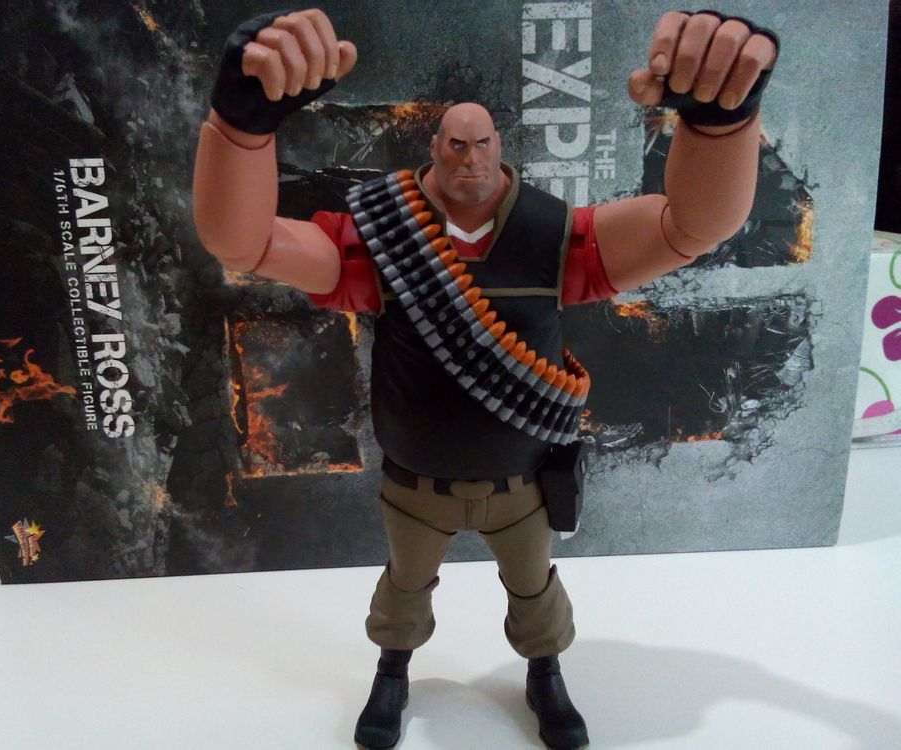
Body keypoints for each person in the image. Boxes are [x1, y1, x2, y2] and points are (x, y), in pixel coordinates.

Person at [193, 9, 777, 749]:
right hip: (417, 482)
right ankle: (393, 669)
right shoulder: (384, 232)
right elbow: (245, 242)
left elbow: (692, 226)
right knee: (403, 590)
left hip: (521, 483)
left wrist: (720, 126)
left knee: (535, 593)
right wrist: (240, 130)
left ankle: (545, 673)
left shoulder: (552, 234)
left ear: (502, 146)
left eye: (482, 144)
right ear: (433, 148)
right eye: (455, 144)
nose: (470, 159)